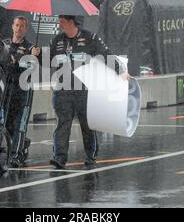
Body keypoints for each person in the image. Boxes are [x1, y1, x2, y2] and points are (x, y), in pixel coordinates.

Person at [48, 15, 129, 169]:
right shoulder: (56, 40)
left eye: (62, 21)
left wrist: (121, 71)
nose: (60, 24)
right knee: (62, 123)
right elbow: (45, 62)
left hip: (84, 90)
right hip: (62, 89)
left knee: (87, 124)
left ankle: (90, 155)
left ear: (71, 22)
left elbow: (106, 55)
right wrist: (37, 55)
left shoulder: (89, 38)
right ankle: (59, 157)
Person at [4, 16, 41, 168]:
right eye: (16, 25)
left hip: (23, 91)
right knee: (7, 124)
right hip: (7, 90)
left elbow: (30, 66)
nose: (18, 29)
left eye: (22, 26)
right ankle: (23, 143)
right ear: (12, 26)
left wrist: (35, 55)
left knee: (20, 124)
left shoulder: (31, 47)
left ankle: (15, 156)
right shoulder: (4, 44)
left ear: (25, 29)